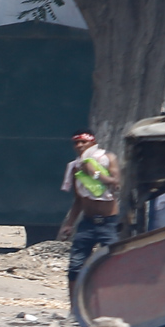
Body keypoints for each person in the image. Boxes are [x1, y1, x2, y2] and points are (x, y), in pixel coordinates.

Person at [58, 129, 121, 301]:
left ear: (92, 143)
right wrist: (69, 224)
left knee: (114, 265)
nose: (79, 146)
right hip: (88, 223)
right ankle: (74, 310)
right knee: (75, 267)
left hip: (108, 223)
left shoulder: (107, 158)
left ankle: (114, 306)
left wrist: (95, 172)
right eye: (76, 143)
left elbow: (115, 182)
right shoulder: (75, 167)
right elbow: (78, 199)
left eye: (83, 142)